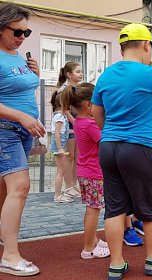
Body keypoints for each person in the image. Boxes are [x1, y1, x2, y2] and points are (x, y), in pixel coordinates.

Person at [91, 23, 152, 279]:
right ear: (146, 45)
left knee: (114, 207)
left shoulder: (106, 75)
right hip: (139, 147)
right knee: (150, 206)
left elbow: (96, 114)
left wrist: (112, 133)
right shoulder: (149, 73)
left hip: (109, 147)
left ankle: (116, 264)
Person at [0, 3, 45, 276]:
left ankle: (4, 239)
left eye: (26, 32)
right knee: (20, 186)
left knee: (5, 190)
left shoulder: (17, 56)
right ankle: (10, 255)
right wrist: (21, 117)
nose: (22, 37)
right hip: (5, 128)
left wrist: (34, 74)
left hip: (23, 131)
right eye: (17, 31)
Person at [60, 83, 111, 259]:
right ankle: (88, 247)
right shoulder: (90, 124)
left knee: (91, 209)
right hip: (93, 173)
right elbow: (105, 143)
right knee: (93, 210)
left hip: (86, 171)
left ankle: (93, 240)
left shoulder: (80, 122)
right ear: (88, 105)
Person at [57, 62, 83, 198]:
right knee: (69, 158)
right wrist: (77, 124)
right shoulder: (63, 90)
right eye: (78, 71)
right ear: (69, 74)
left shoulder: (77, 89)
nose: (81, 74)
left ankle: (74, 185)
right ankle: (68, 187)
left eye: (81, 71)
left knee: (77, 157)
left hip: (77, 125)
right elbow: (65, 110)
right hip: (70, 127)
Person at [50, 91, 72, 203]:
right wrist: (60, 149)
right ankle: (57, 196)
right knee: (61, 170)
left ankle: (59, 194)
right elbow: (57, 133)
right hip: (58, 147)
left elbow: (63, 131)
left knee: (61, 170)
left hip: (59, 147)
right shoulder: (59, 116)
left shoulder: (60, 116)